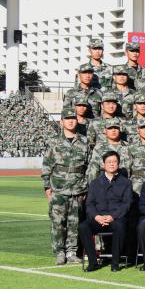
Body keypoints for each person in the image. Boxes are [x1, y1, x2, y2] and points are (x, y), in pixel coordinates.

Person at [41, 108, 90, 265]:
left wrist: (86, 186)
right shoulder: (53, 142)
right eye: (67, 119)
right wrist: (47, 188)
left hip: (78, 189)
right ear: (61, 122)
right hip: (58, 189)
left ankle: (71, 252)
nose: (70, 121)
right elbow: (47, 166)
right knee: (58, 222)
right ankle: (60, 252)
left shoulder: (85, 142)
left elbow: (89, 167)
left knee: (74, 223)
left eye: (73, 118)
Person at [79, 150, 133, 271]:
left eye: (114, 161)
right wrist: (97, 217)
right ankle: (93, 262)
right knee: (83, 226)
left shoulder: (126, 183)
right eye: (109, 162)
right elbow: (90, 204)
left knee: (120, 226)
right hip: (98, 219)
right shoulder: (95, 183)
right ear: (103, 165)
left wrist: (113, 216)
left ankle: (115, 263)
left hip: (116, 219)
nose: (112, 164)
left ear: (118, 164)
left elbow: (126, 204)